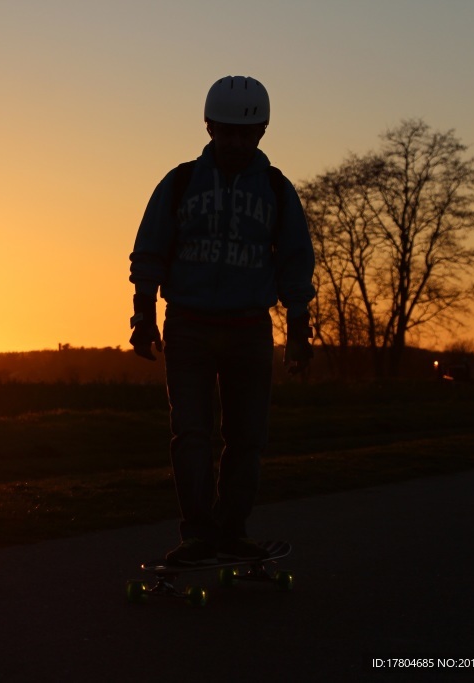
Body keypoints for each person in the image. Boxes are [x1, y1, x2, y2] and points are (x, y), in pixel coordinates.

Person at [128, 75, 315, 565]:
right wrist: (142, 317)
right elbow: (149, 251)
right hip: (187, 327)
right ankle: (197, 534)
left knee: (246, 438)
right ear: (209, 127)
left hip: (250, 330)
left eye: (244, 133)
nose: (234, 142)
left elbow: (296, 263)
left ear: (261, 133)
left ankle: (232, 532)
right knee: (190, 434)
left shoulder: (277, 190)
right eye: (225, 131)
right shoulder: (180, 183)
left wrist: (299, 332)